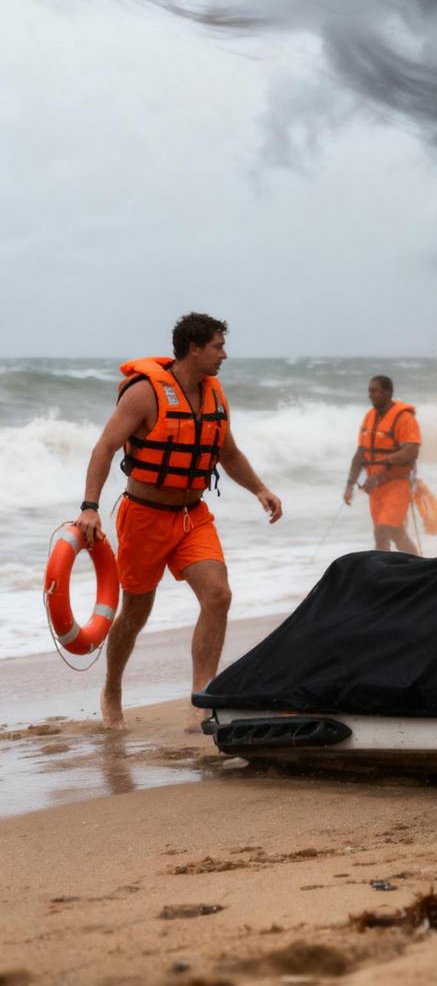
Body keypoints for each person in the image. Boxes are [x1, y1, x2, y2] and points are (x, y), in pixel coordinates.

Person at [74, 312, 283, 730]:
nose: (225, 355)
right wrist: (90, 506)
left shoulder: (215, 395)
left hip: (193, 516)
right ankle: (112, 688)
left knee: (218, 595)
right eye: (218, 346)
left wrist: (260, 488)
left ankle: (201, 698)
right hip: (145, 517)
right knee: (136, 611)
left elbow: (228, 453)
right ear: (194, 348)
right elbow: (105, 447)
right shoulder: (144, 393)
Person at [344, 375, 421, 553]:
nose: (370, 395)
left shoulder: (405, 418)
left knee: (382, 531)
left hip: (398, 484)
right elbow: (360, 454)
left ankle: (382, 576)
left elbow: (411, 452)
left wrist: (384, 462)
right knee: (396, 533)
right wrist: (350, 485)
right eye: (369, 391)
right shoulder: (369, 417)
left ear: (388, 392)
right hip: (375, 488)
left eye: (374, 391)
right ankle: (418, 564)